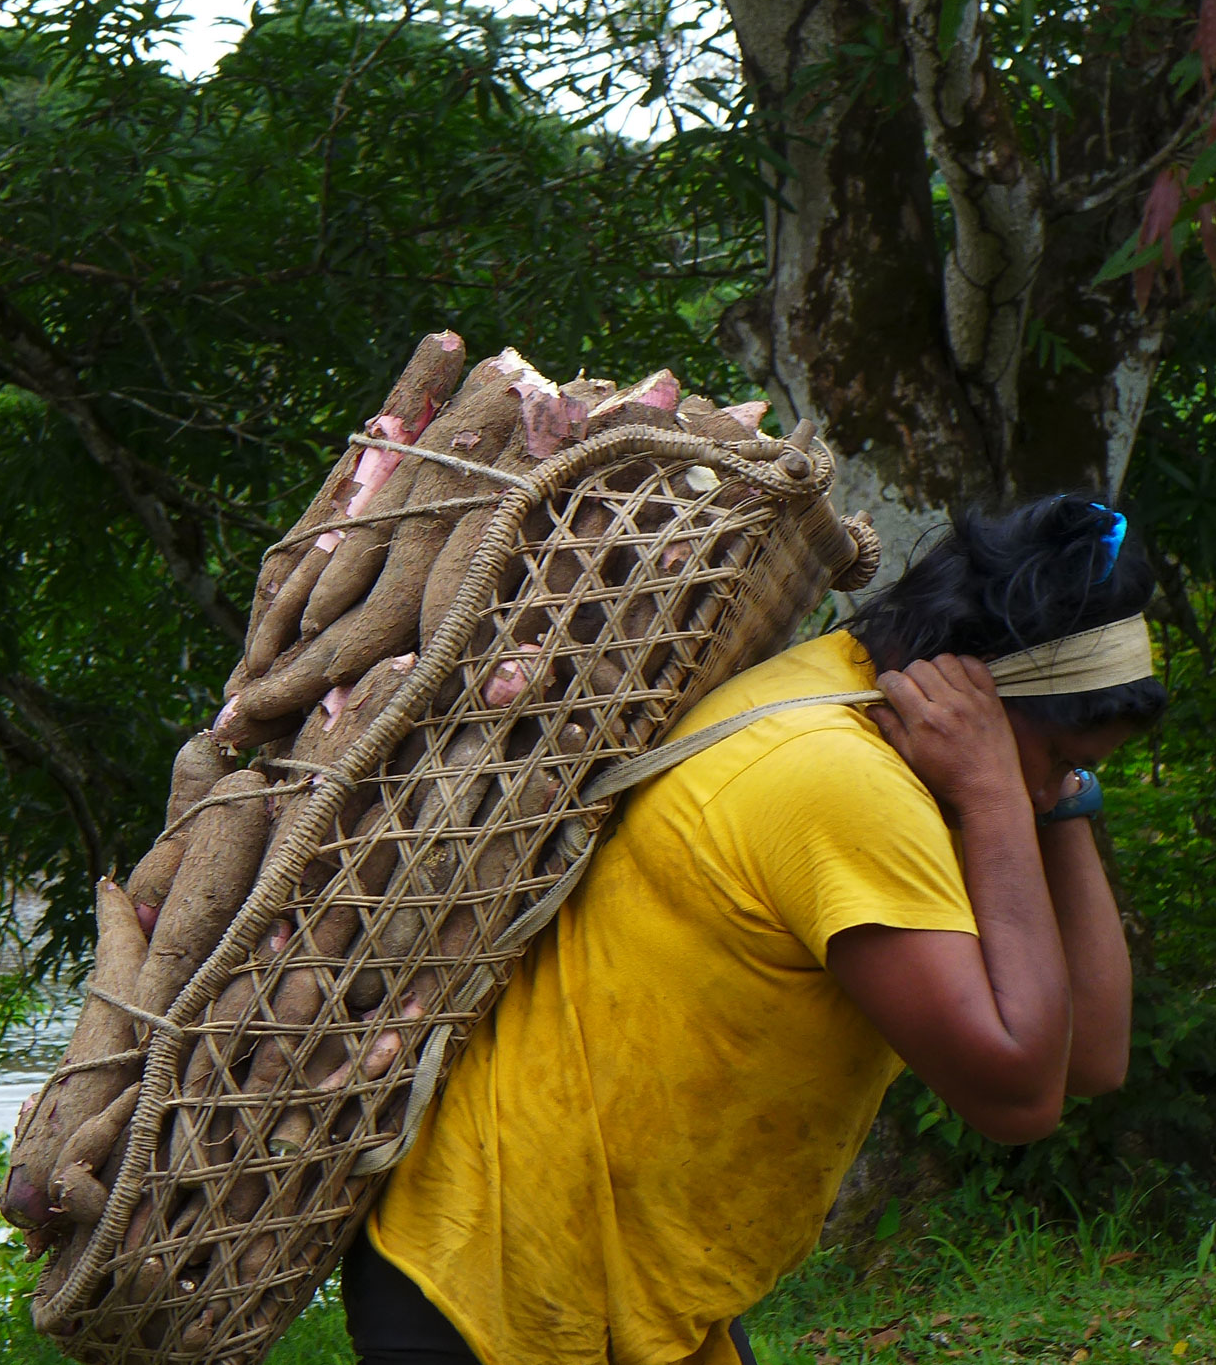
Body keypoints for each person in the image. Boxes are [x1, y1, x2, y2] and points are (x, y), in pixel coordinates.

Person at [340, 494, 1168, 1365]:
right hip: (500, 1278)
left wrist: (1053, 793)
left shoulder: (859, 693)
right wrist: (998, 792)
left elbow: (1093, 1057)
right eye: (1063, 765)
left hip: (622, 1286)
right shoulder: (840, 782)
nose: (1052, 794)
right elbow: (1022, 1096)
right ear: (980, 705)